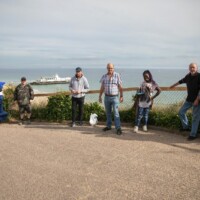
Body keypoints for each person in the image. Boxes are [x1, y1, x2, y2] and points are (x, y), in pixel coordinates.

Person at [169, 63, 200, 140]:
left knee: (195, 117)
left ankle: (193, 134)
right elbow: (181, 81)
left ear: (197, 68)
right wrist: (173, 85)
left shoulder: (199, 76)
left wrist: (197, 99)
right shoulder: (188, 76)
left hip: (197, 101)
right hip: (189, 99)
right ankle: (186, 127)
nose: (192, 69)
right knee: (181, 112)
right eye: (190, 67)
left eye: (193, 67)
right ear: (189, 68)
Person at [99, 63, 123, 135]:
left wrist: (121, 96)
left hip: (115, 97)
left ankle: (118, 128)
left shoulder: (117, 75)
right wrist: (100, 96)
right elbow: (102, 87)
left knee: (116, 113)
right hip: (106, 97)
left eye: (111, 68)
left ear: (113, 68)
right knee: (108, 113)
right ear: (107, 68)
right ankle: (108, 126)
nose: (110, 69)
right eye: (109, 68)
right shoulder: (104, 76)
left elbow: (120, 86)